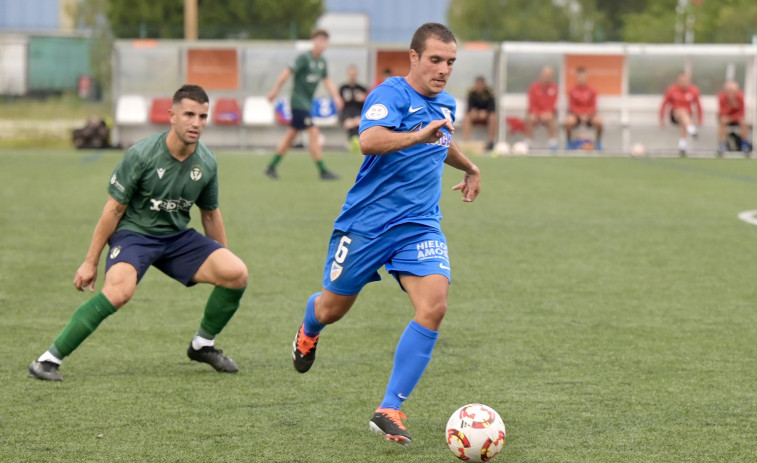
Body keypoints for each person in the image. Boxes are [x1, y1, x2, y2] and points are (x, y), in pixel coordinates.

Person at [290, 23, 481, 445]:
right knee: (332, 308)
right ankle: (309, 327)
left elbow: (440, 141)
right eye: (435, 60)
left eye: (450, 62)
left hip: (419, 225)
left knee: (434, 305)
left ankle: (389, 408)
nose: (443, 69)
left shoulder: (445, 102)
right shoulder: (390, 94)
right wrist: (417, 135)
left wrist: (468, 166)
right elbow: (370, 140)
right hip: (367, 224)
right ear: (414, 57)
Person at [28, 85, 248, 381]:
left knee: (236, 273)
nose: (196, 123)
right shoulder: (142, 155)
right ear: (172, 116)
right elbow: (114, 211)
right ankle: (47, 360)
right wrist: (90, 261)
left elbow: (209, 213)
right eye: (189, 115)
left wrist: (223, 253)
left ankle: (202, 345)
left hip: (176, 237)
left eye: (203, 116)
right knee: (120, 292)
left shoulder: (206, 162)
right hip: (135, 234)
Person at [265, 29, 344, 180]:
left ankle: (271, 166)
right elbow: (287, 72)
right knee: (313, 132)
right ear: (314, 41)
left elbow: (326, 80)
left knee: (290, 136)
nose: (323, 44)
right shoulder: (304, 58)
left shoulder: (322, 62)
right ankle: (323, 171)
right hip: (298, 103)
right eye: (320, 40)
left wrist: (336, 97)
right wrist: (275, 90)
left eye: (325, 41)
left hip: (307, 104)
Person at [659, 72, 702, 156]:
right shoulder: (672, 90)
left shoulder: (693, 90)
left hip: (688, 117)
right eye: (681, 81)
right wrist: (661, 119)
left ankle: (682, 147)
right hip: (675, 116)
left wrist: (700, 119)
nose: (683, 83)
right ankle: (691, 130)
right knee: (680, 111)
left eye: (685, 81)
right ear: (678, 81)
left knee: (684, 121)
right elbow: (664, 104)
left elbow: (698, 105)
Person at [565, 67, 603, 150]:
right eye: (579, 76)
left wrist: (587, 115)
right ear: (576, 77)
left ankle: (598, 142)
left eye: (583, 76)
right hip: (576, 115)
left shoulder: (592, 89)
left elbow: (593, 106)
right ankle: (569, 142)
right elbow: (572, 106)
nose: (581, 78)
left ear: (586, 77)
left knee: (599, 122)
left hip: (589, 115)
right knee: (569, 122)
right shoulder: (572, 90)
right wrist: (580, 115)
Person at [525, 66, 559, 150]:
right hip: (536, 114)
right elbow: (531, 104)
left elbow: (553, 104)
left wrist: (547, 113)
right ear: (541, 75)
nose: (547, 77)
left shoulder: (554, 88)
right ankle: (528, 142)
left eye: (549, 75)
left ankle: (553, 143)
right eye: (546, 74)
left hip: (548, 115)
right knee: (530, 118)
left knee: (551, 118)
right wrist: (538, 114)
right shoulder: (534, 87)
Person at [338, 65, 368, 153]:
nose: (352, 76)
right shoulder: (343, 88)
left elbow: (367, 103)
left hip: (359, 112)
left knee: (358, 122)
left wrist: (363, 98)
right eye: (351, 74)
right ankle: (352, 142)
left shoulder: (361, 88)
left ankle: (357, 142)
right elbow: (340, 104)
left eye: (354, 74)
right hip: (347, 113)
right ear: (348, 74)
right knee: (349, 123)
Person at [717, 80, 752, 156]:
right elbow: (722, 112)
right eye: (729, 90)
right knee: (723, 121)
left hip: (737, 118)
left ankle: (744, 145)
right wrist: (731, 105)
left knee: (744, 123)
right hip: (726, 118)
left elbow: (742, 112)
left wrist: (732, 117)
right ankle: (721, 145)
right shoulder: (721, 97)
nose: (731, 92)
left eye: (733, 90)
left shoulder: (740, 96)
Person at [462, 76, 496, 150]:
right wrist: (473, 111)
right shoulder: (471, 93)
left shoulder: (489, 93)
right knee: (467, 117)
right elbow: (469, 106)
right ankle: (466, 142)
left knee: (493, 117)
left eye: (481, 84)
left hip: (486, 116)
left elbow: (492, 107)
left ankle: (491, 142)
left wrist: (486, 112)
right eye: (478, 84)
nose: (479, 86)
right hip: (475, 116)